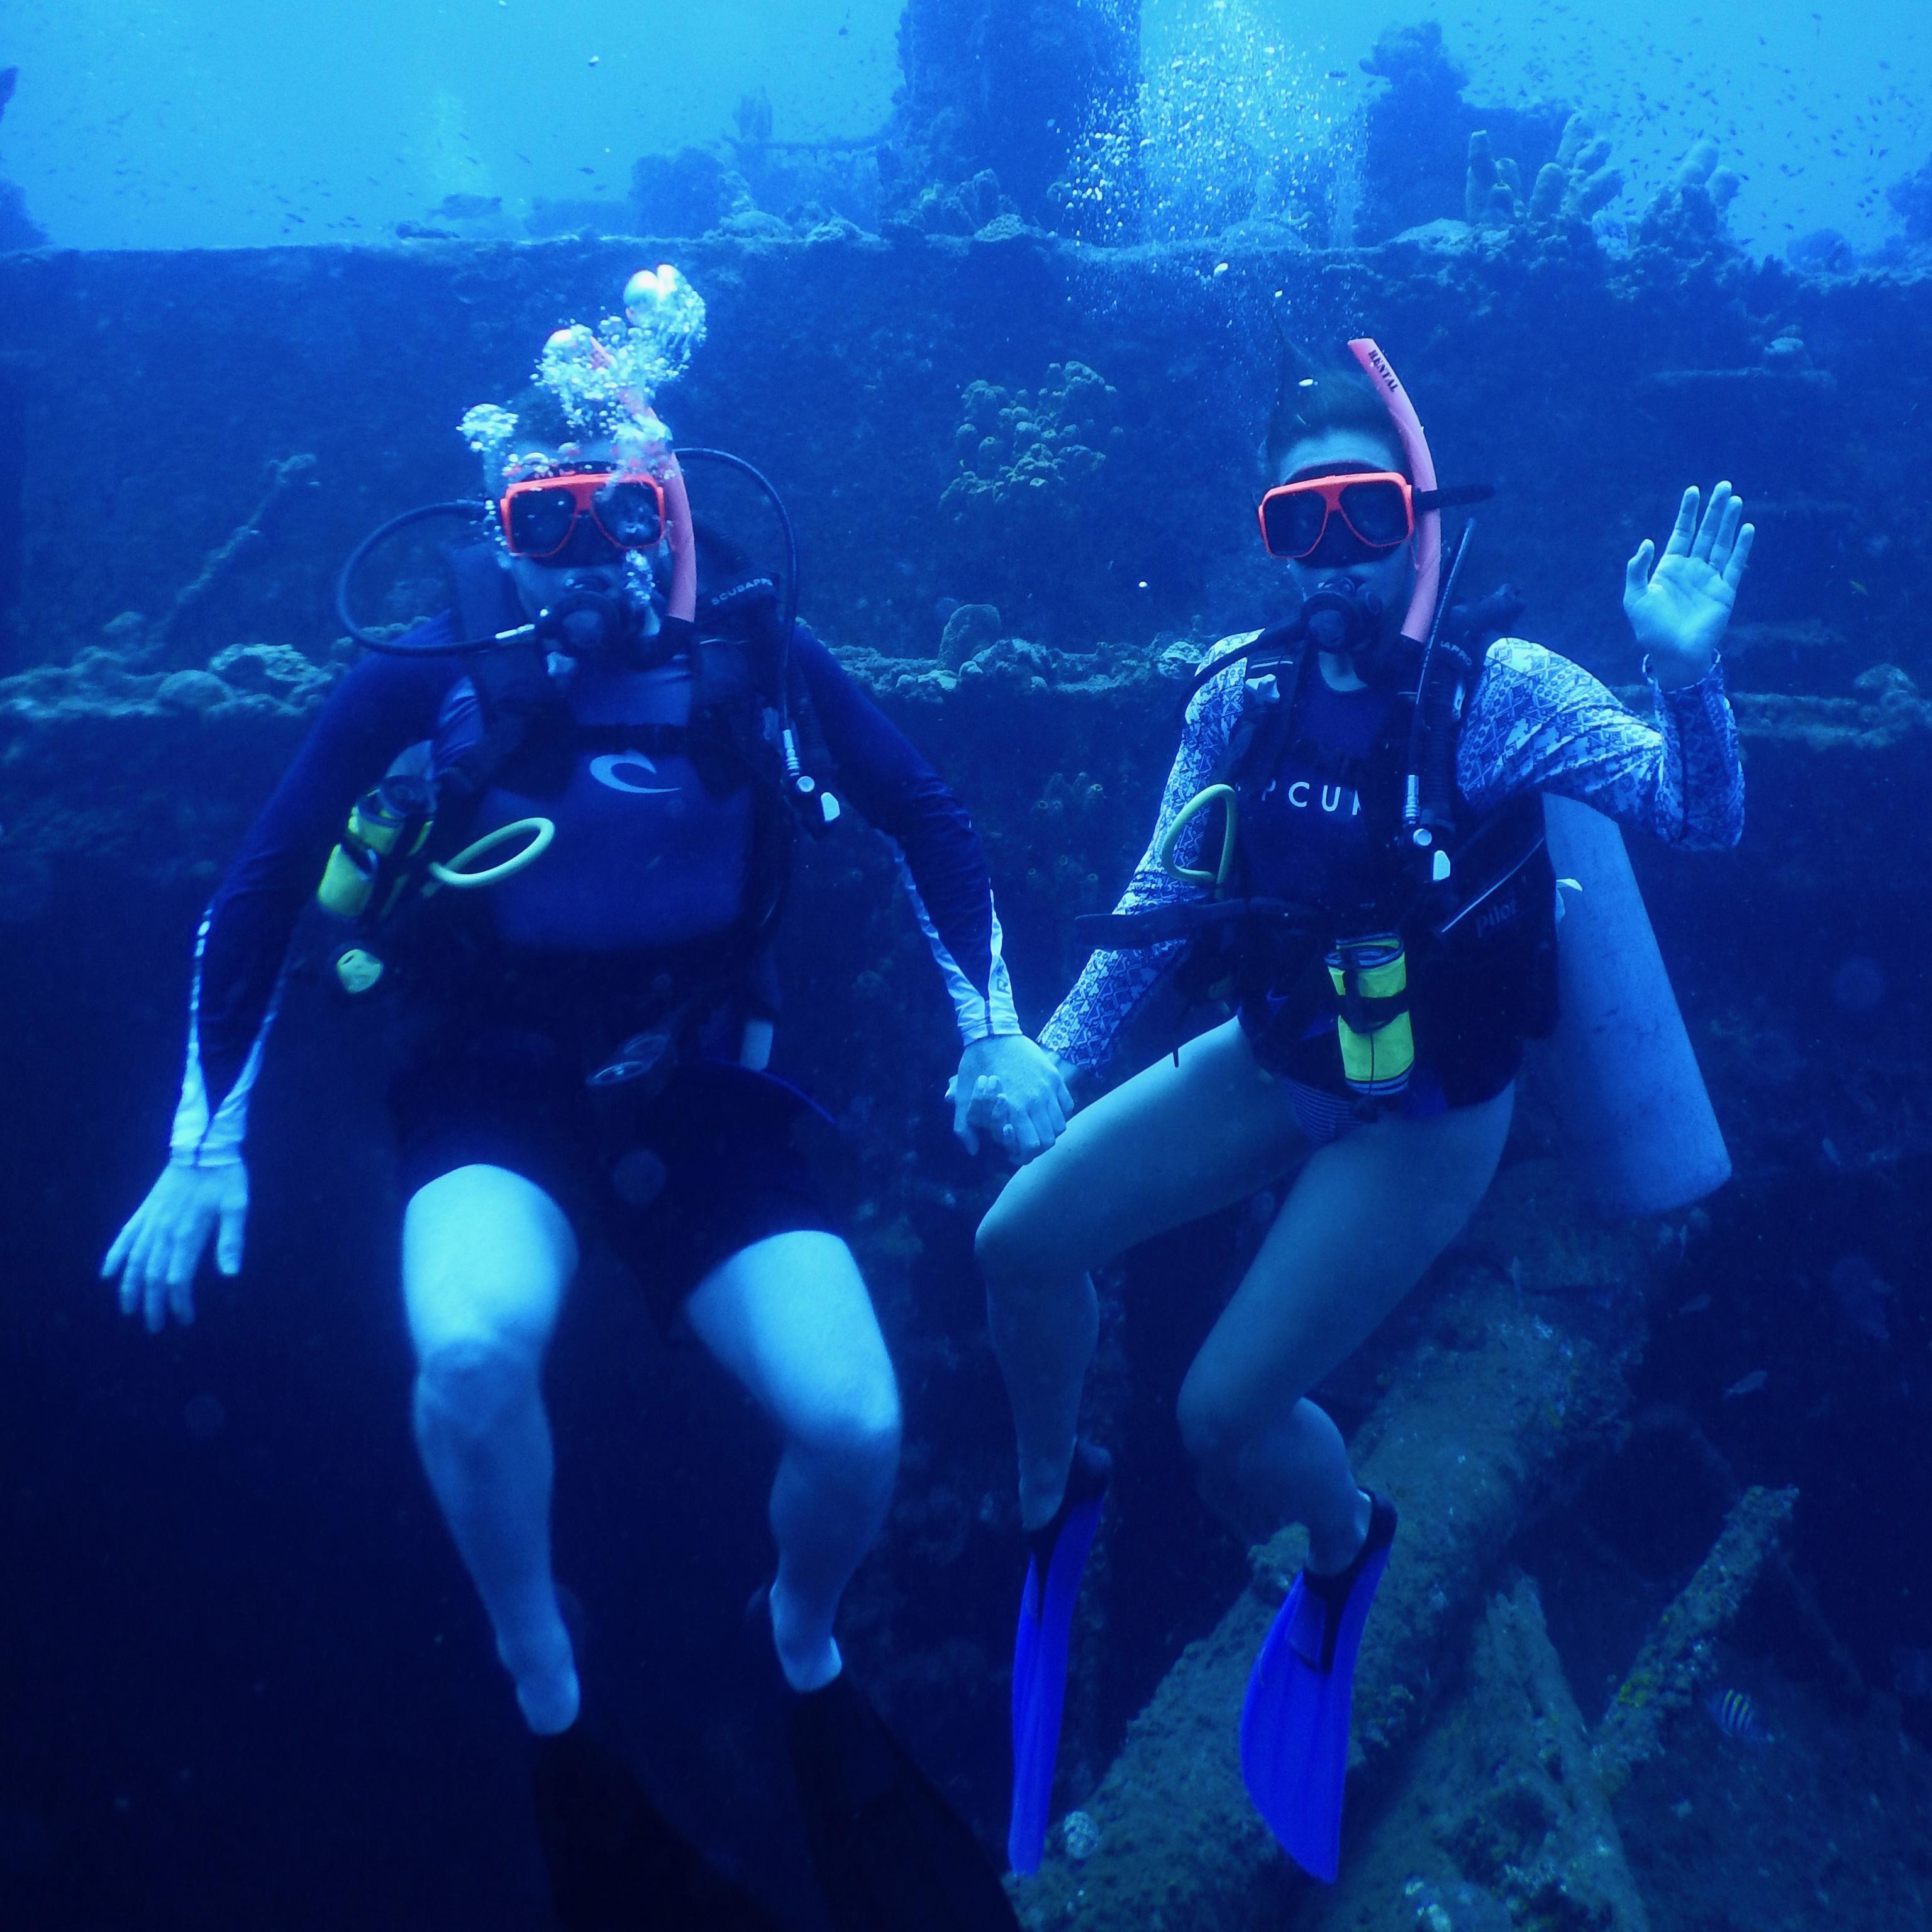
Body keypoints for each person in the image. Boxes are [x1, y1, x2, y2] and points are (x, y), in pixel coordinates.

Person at [101, 266, 1067, 1931]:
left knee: (855, 1425)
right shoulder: (430, 666)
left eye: (616, 514)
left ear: (667, 511)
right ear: (500, 525)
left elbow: (932, 821)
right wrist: (204, 1145)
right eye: (544, 524)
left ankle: (803, 1641)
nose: (587, 558)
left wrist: (995, 1031)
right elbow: (260, 894)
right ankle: (548, 1682)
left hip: (702, 1091)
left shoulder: (755, 654)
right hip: (496, 1087)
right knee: (472, 1348)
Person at [970, 337, 1751, 1882]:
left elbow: (1698, 815)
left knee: (1222, 1419)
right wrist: (1055, 1058)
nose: (1334, 562)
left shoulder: (1500, 696)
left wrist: (1689, 672)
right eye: (1298, 526)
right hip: (1283, 1061)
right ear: (1265, 538)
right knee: (1019, 1240)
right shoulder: (1235, 701)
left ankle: (1345, 1547)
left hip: (1427, 1118)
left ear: (1421, 518)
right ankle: (1051, 1498)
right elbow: (1161, 894)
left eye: (1365, 518)